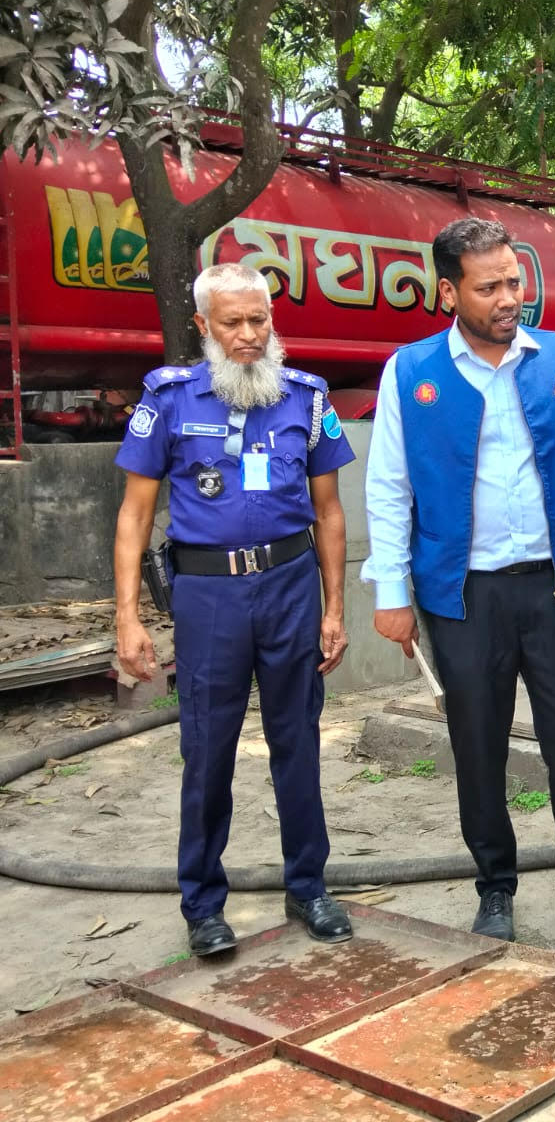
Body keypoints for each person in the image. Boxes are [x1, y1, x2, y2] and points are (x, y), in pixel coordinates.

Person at [362, 217, 555, 945]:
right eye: (489, 287)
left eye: (514, 281)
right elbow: (389, 488)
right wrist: (391, 591)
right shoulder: (412, 372)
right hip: (464, 595)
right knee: (477, 742)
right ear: (449, 291)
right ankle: (496, 887)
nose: (509, 297)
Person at [114, 263, 356, 956]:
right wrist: (128, 618)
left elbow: (329, 511)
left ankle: (308, 886)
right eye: (233, 323)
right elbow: (133, 517)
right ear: (203, 327)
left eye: (259, 320)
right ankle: (202, 903)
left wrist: (333, 607)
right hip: (208, 597)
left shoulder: (305, 399)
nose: (250, 335)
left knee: (297, 744)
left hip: (288, 588)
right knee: (208, 750)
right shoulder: (168, 400)